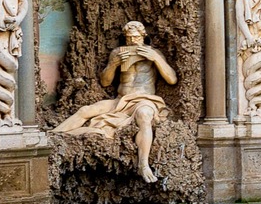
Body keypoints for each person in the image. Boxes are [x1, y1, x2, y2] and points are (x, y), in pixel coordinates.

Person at [52, 20, 178, 183]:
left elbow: (172, 79)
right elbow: (105, 81)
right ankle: (52, 137)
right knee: (86, 111)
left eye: (136, 38)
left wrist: (156, 59)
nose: (133, 41)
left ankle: (143, 164)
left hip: (144, 99)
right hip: (120, 100)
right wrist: (113, 64)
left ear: (143, 36)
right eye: (129, 38)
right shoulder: (117, 53)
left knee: (144, 115)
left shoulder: (154, 53)